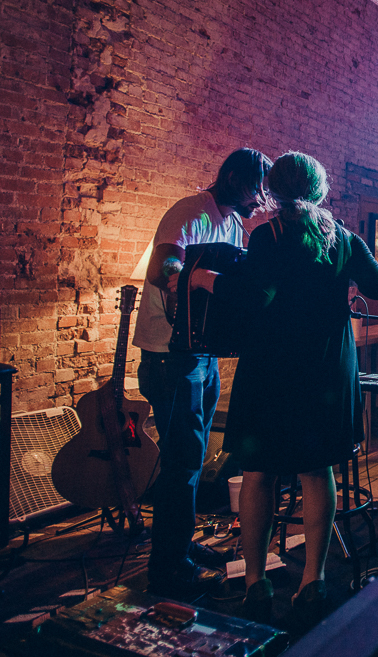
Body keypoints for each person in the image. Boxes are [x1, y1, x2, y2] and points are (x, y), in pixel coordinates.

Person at [189, 152, 378, 626]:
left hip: (272, 369)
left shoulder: (267, 235)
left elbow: (254, 296)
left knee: (259, 472)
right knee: (316, 471)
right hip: (325, 370)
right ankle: (312, 583)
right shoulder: (342, 236)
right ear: (319, 191)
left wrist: (204, 278)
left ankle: (256, 582)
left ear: (273, 192)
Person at [133, 148, 271, 599]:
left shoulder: (232, 223)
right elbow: (164, 265)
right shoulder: (190, 212)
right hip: (170, 359)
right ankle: (168, 568)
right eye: (256, 188)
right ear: (232, 177)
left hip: (201, 358)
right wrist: (179, 281)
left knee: (190, 460)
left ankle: (181, 549)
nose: (260, 199)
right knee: (182, 464)